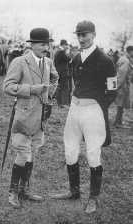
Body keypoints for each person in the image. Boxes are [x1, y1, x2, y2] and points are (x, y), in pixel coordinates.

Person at [50, 21, 117, 213]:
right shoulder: (77, 58)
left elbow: (112, 90)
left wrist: (97, 107)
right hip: (75, 109)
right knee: (70, 150)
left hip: (93, 111)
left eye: (84, 35)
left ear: (93, 35)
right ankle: (74, 191)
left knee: (93, 153)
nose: (81, 39)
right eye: (78, 35)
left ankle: (93, 198)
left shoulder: (105, 60)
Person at [3, 28, 59, 207]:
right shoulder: (20, 62)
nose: (46, 47)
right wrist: (32, 90)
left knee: (32, 152)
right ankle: (13, 192)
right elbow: (8, 86)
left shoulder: (48, 62)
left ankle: (24, 190)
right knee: (22, 153)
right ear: (32, 45)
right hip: (24, 116)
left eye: (47, 44)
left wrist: (50, 93)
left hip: (40, 117)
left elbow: (55, 78)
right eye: (42, 44)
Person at [114, 46, 133, 127]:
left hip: (122, 85)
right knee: (120, 104)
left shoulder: (124, 58)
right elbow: (122, 75)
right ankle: (118, 122)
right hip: (123, 86)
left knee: (120, 104)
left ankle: (118, 121)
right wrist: (117, 86)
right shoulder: (125, 61)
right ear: (130, 51)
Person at [54, 39, 72, 107]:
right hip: (63, 73)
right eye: (66, 45)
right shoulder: (61, 52)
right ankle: (64, 103)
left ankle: (60, 103)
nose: (66, 46)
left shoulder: (57, 52)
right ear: (63, 45)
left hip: (59, 72)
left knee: (60, 88)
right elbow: (69, 59)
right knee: (64, 88)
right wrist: (68, 51)